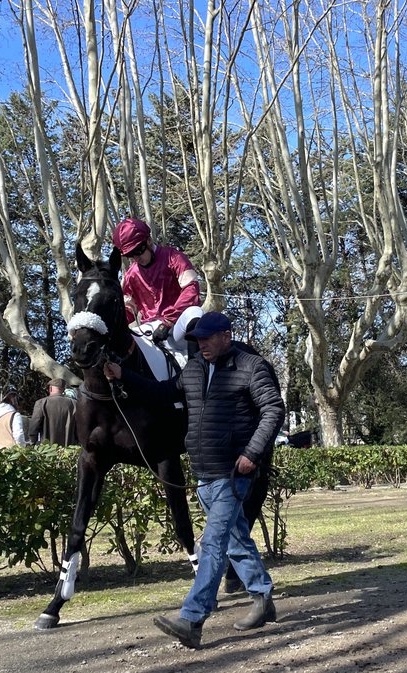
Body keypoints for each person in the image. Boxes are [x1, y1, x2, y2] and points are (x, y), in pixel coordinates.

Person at [104, 311, 284, 649]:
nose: (200, 343)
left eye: (207, 337)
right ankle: (262, 598)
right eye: (197, 339)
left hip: (233, 474)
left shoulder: (251, 366)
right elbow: (161, 392)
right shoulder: (194, 369)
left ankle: (192, 619)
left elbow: (274, 410)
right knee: (235, 540)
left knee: (213, 546)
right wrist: (122, 376)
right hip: (204, 476)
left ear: (226, 336)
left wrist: (252, 454)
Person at [112, 217, 202, 357]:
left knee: (195, 313)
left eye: (138, 251)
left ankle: (197, 369)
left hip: (177, 326)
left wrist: (168, 322)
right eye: (130, 255)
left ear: (148, 241)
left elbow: (191, 290)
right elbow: (128, 313)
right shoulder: (130, 276)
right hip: (149, 331)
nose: (136, 258)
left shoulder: (174, 258)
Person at [29, 378, 77, 446]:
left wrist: (32, 443)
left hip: (47, 451)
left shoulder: (41, 403)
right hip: (69, 451)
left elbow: (33, 427)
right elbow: (80, 428)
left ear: (50, 388)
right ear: (63, 389)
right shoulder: (74, 404)